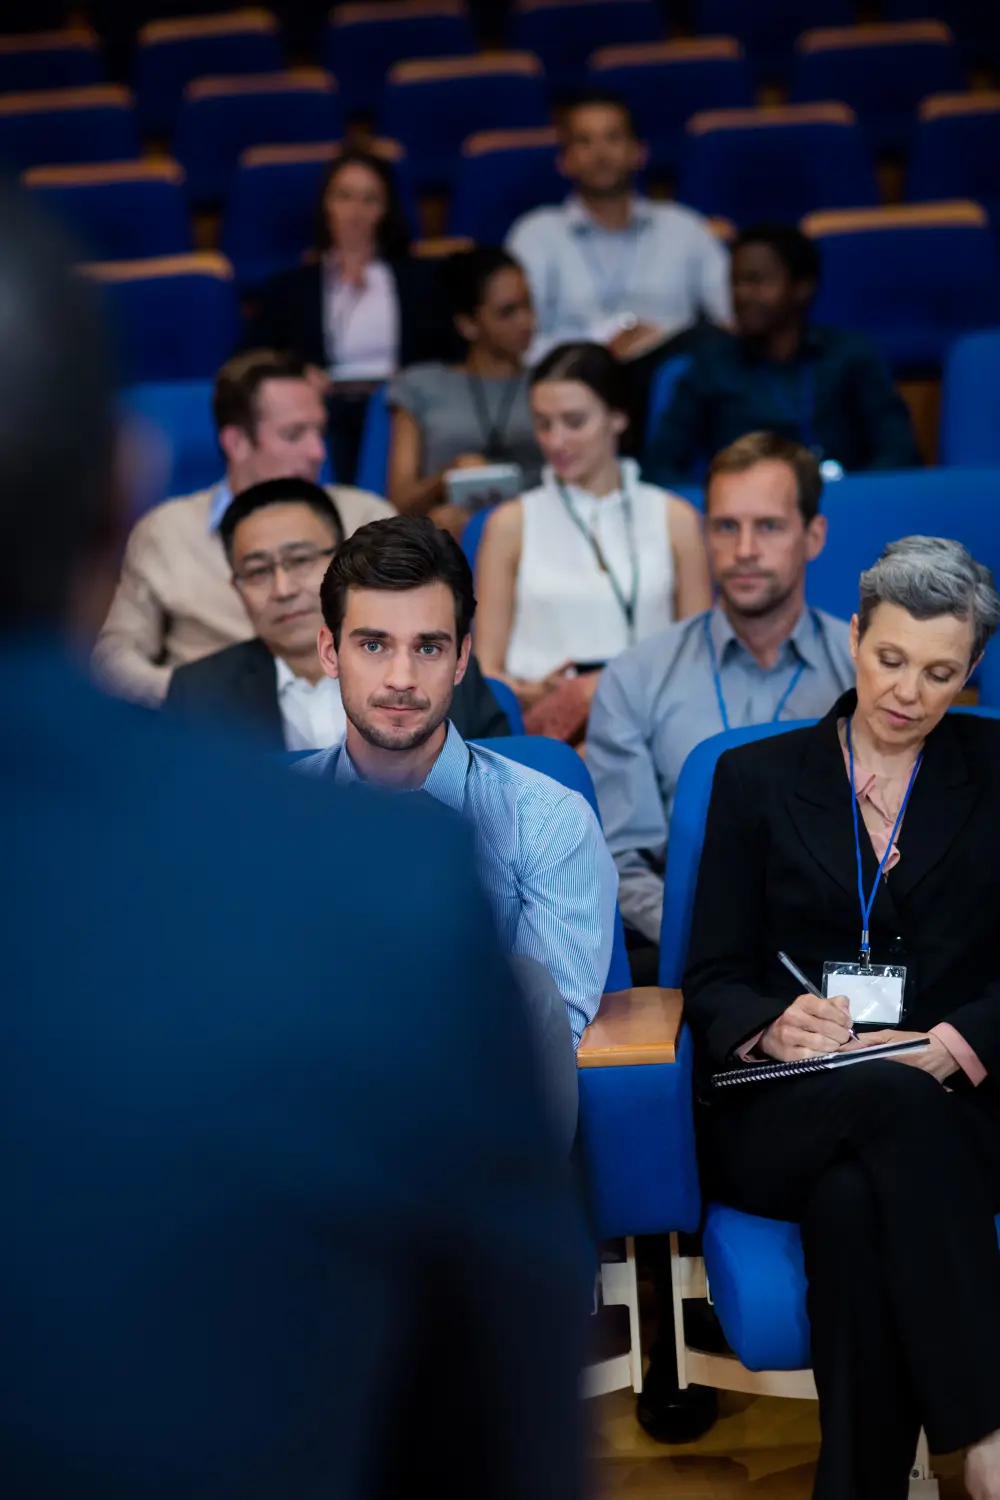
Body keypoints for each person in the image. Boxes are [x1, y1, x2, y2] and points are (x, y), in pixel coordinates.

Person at [1, 182, 590, 1500]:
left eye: (425, 644)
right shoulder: (352, 881)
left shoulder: (421, 846)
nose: (399, 672)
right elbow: (493, 1413)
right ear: (121, 499)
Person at [684, 534, 1000, 1500]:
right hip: (787, 1104)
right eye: (890, 658)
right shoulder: (756, 778)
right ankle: (986, 1442)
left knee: (856, 1201)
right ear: (854, 637)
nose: (908, 691)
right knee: (884, 1110)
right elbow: (712, 970)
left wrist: (950, 1047)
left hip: (955, 1108)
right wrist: (771, 1025)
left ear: (971, 675)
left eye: (941, 673)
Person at [295, 514, 619, 1047]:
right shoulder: (264, 821)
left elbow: (543, 1039)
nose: (401, 679)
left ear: (462, 658)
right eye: (373, 645)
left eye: (428, 648)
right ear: (330, 652)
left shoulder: (549, 822)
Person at [588, 431, 854, 954]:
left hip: (839, 946)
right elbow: (621, 859)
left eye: (770, 527)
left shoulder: (862, 672)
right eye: (726, 526)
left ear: (814, 535)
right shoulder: (637, 675)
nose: (745, 551)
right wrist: (708, 937)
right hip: (690, 954)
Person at [93, 348, 391, 707]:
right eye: (294, 434)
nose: (317, 452)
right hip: (214, 738)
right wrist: (191, 695)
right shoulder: (165, 531)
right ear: (236, 443)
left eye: (320, 432)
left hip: (346, 729)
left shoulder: (367, 517)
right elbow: (113, 659)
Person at [164, 477, 512, 749]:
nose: (283, 589)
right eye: (257, 572)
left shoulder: (433, 659)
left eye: (300, 560)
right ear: (236, 587)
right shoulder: (199, 694)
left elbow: (497, 785)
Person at [474, 341, 712, 736]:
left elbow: (700, 660)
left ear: (618, 417)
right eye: (543, 423)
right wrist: (532, 690)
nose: (556, 441)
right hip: (548, 728)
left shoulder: (675, 519)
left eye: (574, 421)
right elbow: (486, 672)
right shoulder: (509, 524)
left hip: (652, 722)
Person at [645, 222, 921, 488]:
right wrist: (715, 502)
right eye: (736, 282)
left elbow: (899, 452)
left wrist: (853, 492)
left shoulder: (849, 356)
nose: (742, 294)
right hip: (746, 518)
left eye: (757, 281)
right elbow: (659, 466)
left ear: (802, 287)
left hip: (843, 507)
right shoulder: (711, 364)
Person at [245, 148, 456, 481]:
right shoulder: (290, 287)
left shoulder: (421, 281)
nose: (355, 211)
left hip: (400, 407)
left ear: (386, 211)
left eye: (369, 199)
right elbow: (251, 357)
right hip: (324, 406)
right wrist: (298, 371)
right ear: (325, 206)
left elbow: (450, 353)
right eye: (344, 197)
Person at [507, 94, 730, 366]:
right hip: (570, 383)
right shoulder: (535, 234)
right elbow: (517, 340)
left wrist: (661, 341)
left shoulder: (685, 227)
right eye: (584, 142)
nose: (600, 153)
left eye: (613, 138)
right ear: (564, 161)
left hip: (677, 381)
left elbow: (730, 318)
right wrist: (597, 349)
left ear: (640, 152)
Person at [386, 246, 541, 539]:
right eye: (508, 312)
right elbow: (398, 501)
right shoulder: (421, 385)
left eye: (529, 305)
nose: (526, 321)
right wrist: (445, 478)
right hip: (445, 533)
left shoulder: (550, 383)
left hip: (534, 531)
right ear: (468, 325)